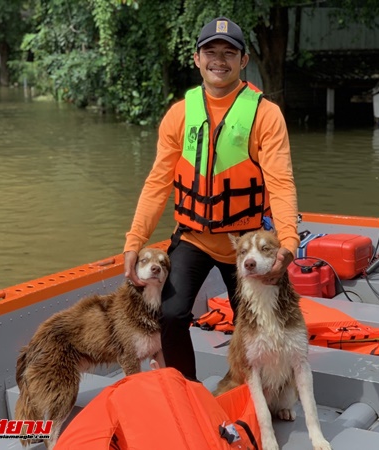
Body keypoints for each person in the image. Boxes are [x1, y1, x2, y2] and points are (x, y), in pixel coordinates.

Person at [123, 16, 300, 381]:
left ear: (243, 60)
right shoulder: (179, 114)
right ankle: (185, 390)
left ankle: (251, 391)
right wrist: (134, 241)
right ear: (196, 59)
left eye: (228, 53)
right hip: (193, 236)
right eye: (211, 52)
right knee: (170, 314)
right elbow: (158, 183)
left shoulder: (266, 114)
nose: (219, 60)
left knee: (257, 323)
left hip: (246, 239)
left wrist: (289, 243)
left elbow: (281, 183)